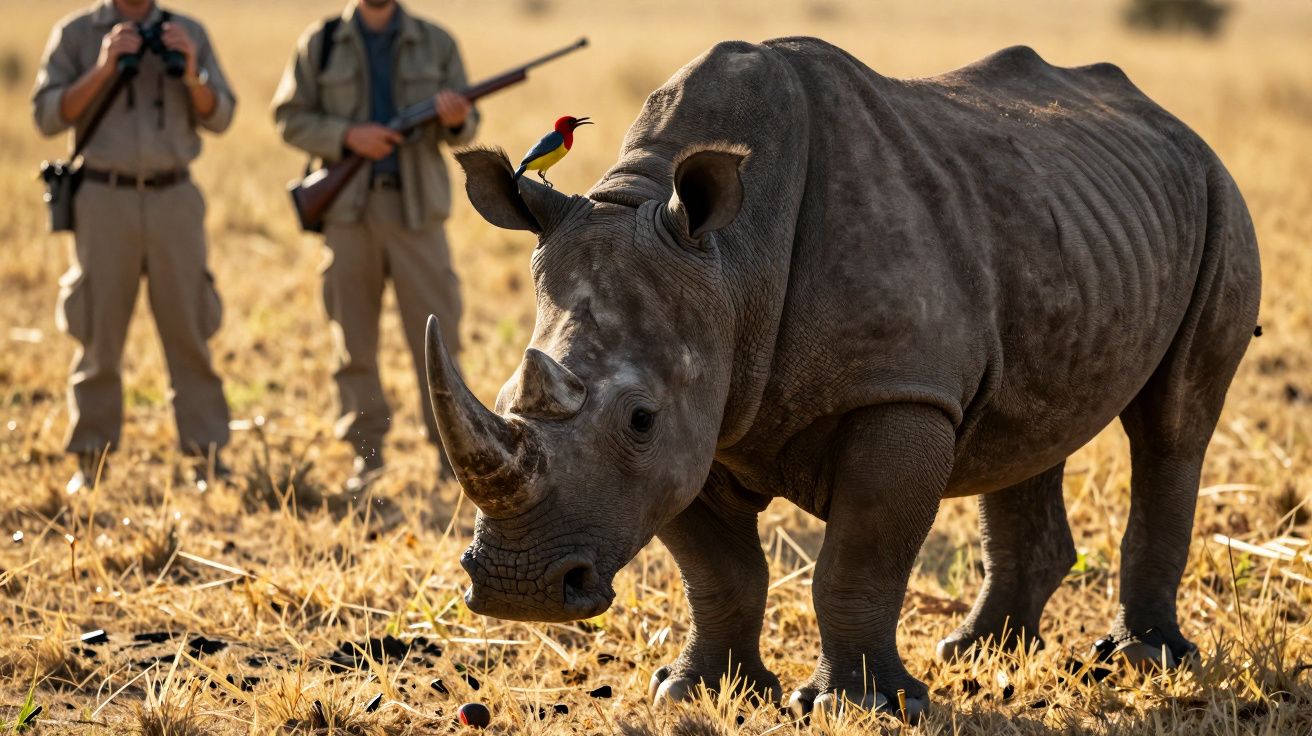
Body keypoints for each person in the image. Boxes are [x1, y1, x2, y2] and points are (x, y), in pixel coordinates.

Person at [32, 0, 236, 493]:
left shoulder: (188, 30)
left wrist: (191, 73)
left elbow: (221, 115)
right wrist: (103, 67)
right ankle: (91, 459)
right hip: (104, 199)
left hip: (175, 199)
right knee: (98, 334)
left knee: (189, 328)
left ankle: (206, 456)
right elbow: (46, 116)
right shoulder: (77, 33)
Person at [273, 0, 477, 490]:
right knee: (355, 345)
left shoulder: (437, 41)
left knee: (437, 343)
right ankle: (367, 458)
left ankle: (453, 460)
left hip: (417, 217)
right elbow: (289, 118)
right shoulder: (320, 43)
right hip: (347, 215)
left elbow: (466, 128)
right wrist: (348, 136)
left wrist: (454, 119)